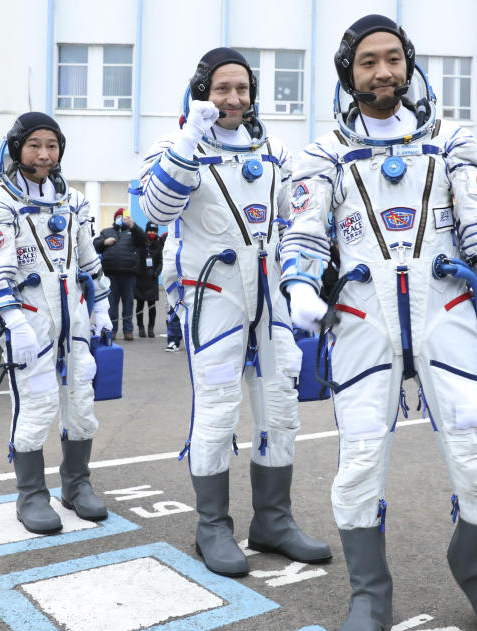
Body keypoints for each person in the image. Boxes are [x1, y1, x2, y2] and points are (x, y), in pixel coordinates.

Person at [280, 15, 477, 631]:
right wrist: (301, 286)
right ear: (348, 73)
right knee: (358, 464)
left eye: (393, 58)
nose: (383, 71)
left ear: (409, 65)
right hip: (363, 319)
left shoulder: (452, 141)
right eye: (368, 61)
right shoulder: (322, 153)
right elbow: (304, 228)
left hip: (447, 313)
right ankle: (369, 595)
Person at [138, 47, 331, 577]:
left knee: (281, 404)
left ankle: (273, 521)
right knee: (218, 408)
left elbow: (299, 217)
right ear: (202, 90)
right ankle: (213, 527)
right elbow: (154, 210)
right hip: (215, 294)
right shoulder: (175, 145)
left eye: (242, 89)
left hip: (270, 295)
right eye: (222, 89)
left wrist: (303, 281)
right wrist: (189, 138)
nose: (233, 99)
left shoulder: (272, 149)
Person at [0, 112, 113, 534]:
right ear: (16, 148)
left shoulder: (75, 201)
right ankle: (31, 493)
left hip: (74, 316)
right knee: (36, 403)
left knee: (81, 402)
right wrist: (12, 320)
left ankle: (76, 485)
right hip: (29, 317)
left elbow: (88, 259)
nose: (44, 154)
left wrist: (100, 304)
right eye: (34, 145)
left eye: (51, 145)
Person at [94, 209, 145, 341]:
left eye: (124, 217)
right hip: (110, 274)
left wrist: (133, 225)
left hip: (129, 274)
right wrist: (105, 242)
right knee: (111, 304)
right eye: (119, 217)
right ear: (115, 218)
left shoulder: (133, 232)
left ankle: (128, 331)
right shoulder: (106, 232)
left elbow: (143, 240)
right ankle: (112, 330)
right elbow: (96, 244)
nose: (121, 219)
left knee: (128, 304)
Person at [135, 221, 163, 337]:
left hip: (152, 280)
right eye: (150, 231)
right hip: (140, 279)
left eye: (154, 231)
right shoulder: (141, 243)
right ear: (146, 231)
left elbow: (161, 262)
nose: (151, 233)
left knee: (152, 306)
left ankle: (151, 328)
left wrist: (156, 273)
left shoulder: (158, 245)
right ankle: (140, 328)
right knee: (140, 305)